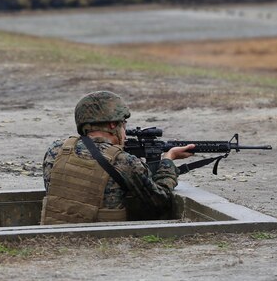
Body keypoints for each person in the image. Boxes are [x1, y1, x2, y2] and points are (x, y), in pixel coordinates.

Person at [41, 91, 195, 224]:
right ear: (113, 125)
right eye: (124, 123)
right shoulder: (124, 161)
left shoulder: (57, 150)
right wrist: (168, 160)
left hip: (54, 232)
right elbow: (160, 201)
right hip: (103, 238)